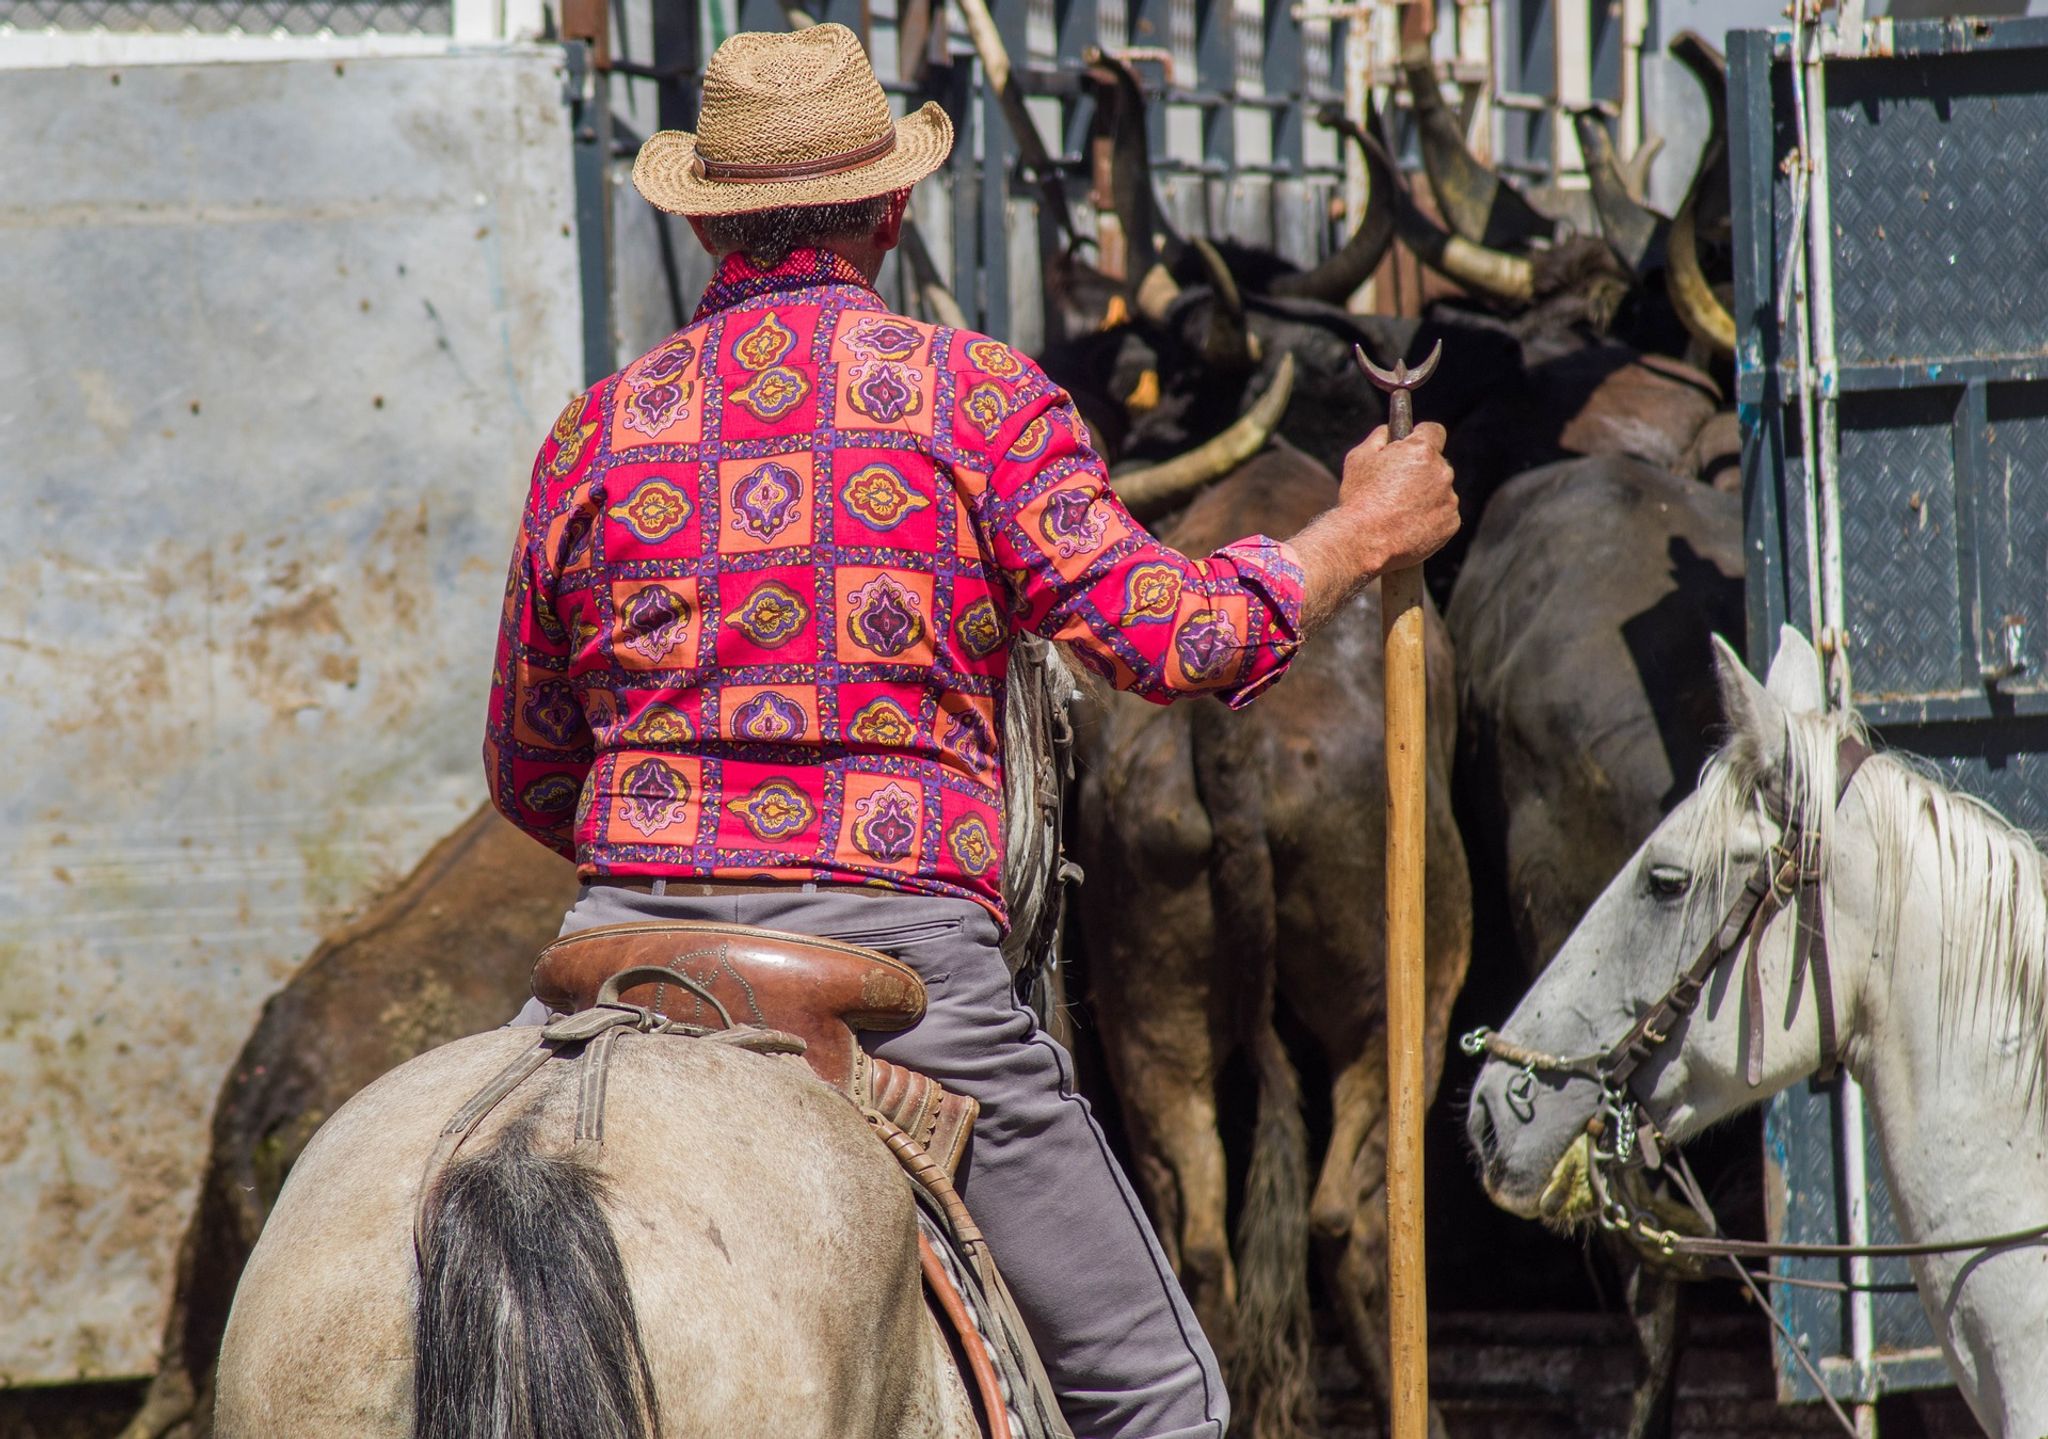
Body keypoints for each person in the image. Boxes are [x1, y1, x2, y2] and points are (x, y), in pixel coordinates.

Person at [485, 23, 1456, 1439]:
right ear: (894, 206)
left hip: (615, 951)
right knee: (1160, 1395)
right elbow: (1174, 638)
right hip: (897, 971)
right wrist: (1356, 534)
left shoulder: (595, 432)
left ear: (699, 220)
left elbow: (528, 761)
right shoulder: (976, 402)